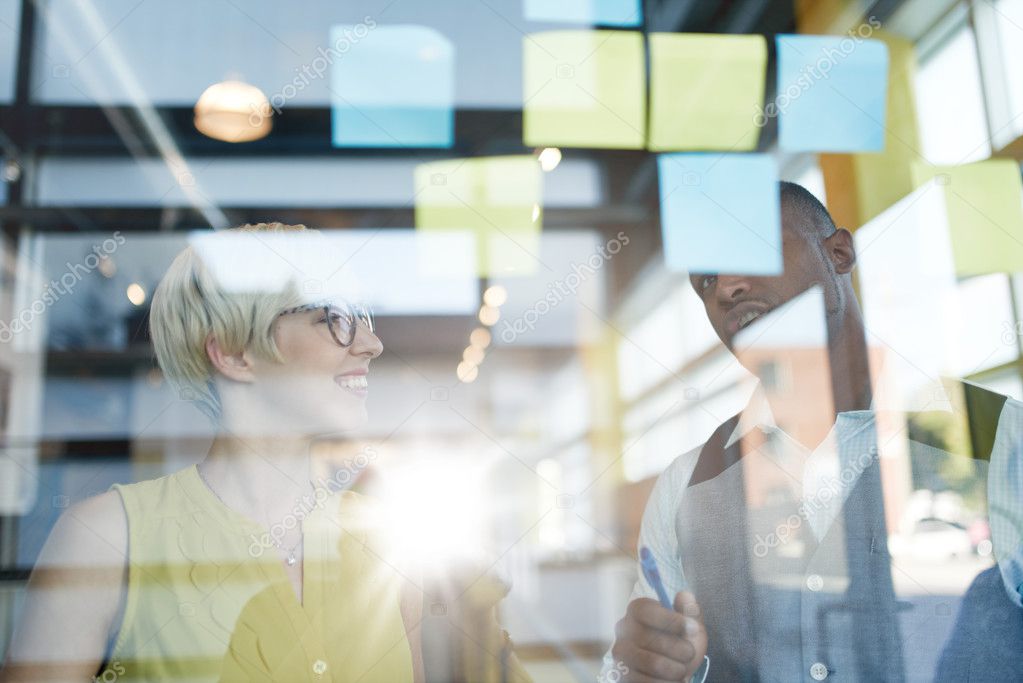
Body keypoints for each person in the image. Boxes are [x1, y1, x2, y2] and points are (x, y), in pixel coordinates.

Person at [0, 222, 530, 682]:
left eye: (364, 316)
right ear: (234, 352)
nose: (371, 344)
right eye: (335, 317)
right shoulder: (106, 538)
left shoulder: (386, 543)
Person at [605, 183, 1023, 682]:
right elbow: (637, 669)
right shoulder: (684, 485)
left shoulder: (1003, 439)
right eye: (705, 280)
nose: (724, 287)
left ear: (838, 254)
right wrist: (637, 673)